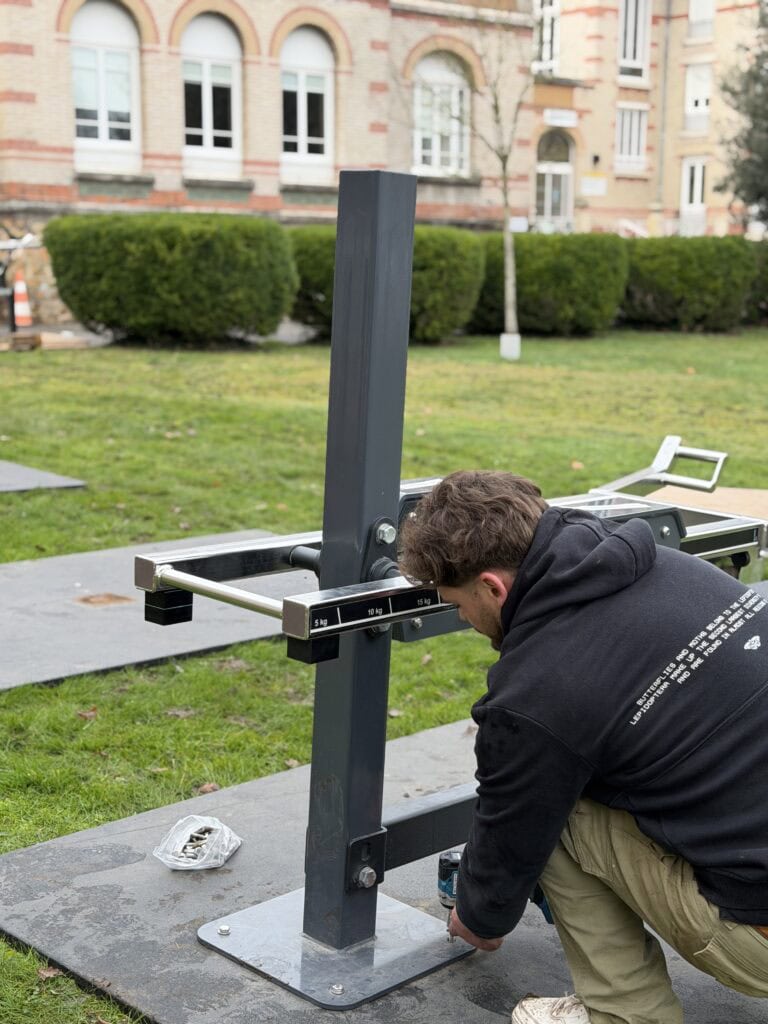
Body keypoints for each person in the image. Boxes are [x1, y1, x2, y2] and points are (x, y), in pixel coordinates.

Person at [397, 470, 768, 1024]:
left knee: (555, 810)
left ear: (494, 587)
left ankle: (626, 1014)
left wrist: (476, 918)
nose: (461, 618)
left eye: (457, 602)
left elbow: (510, 837)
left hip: (757, 942)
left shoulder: (536, 694)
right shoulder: (676, 568)